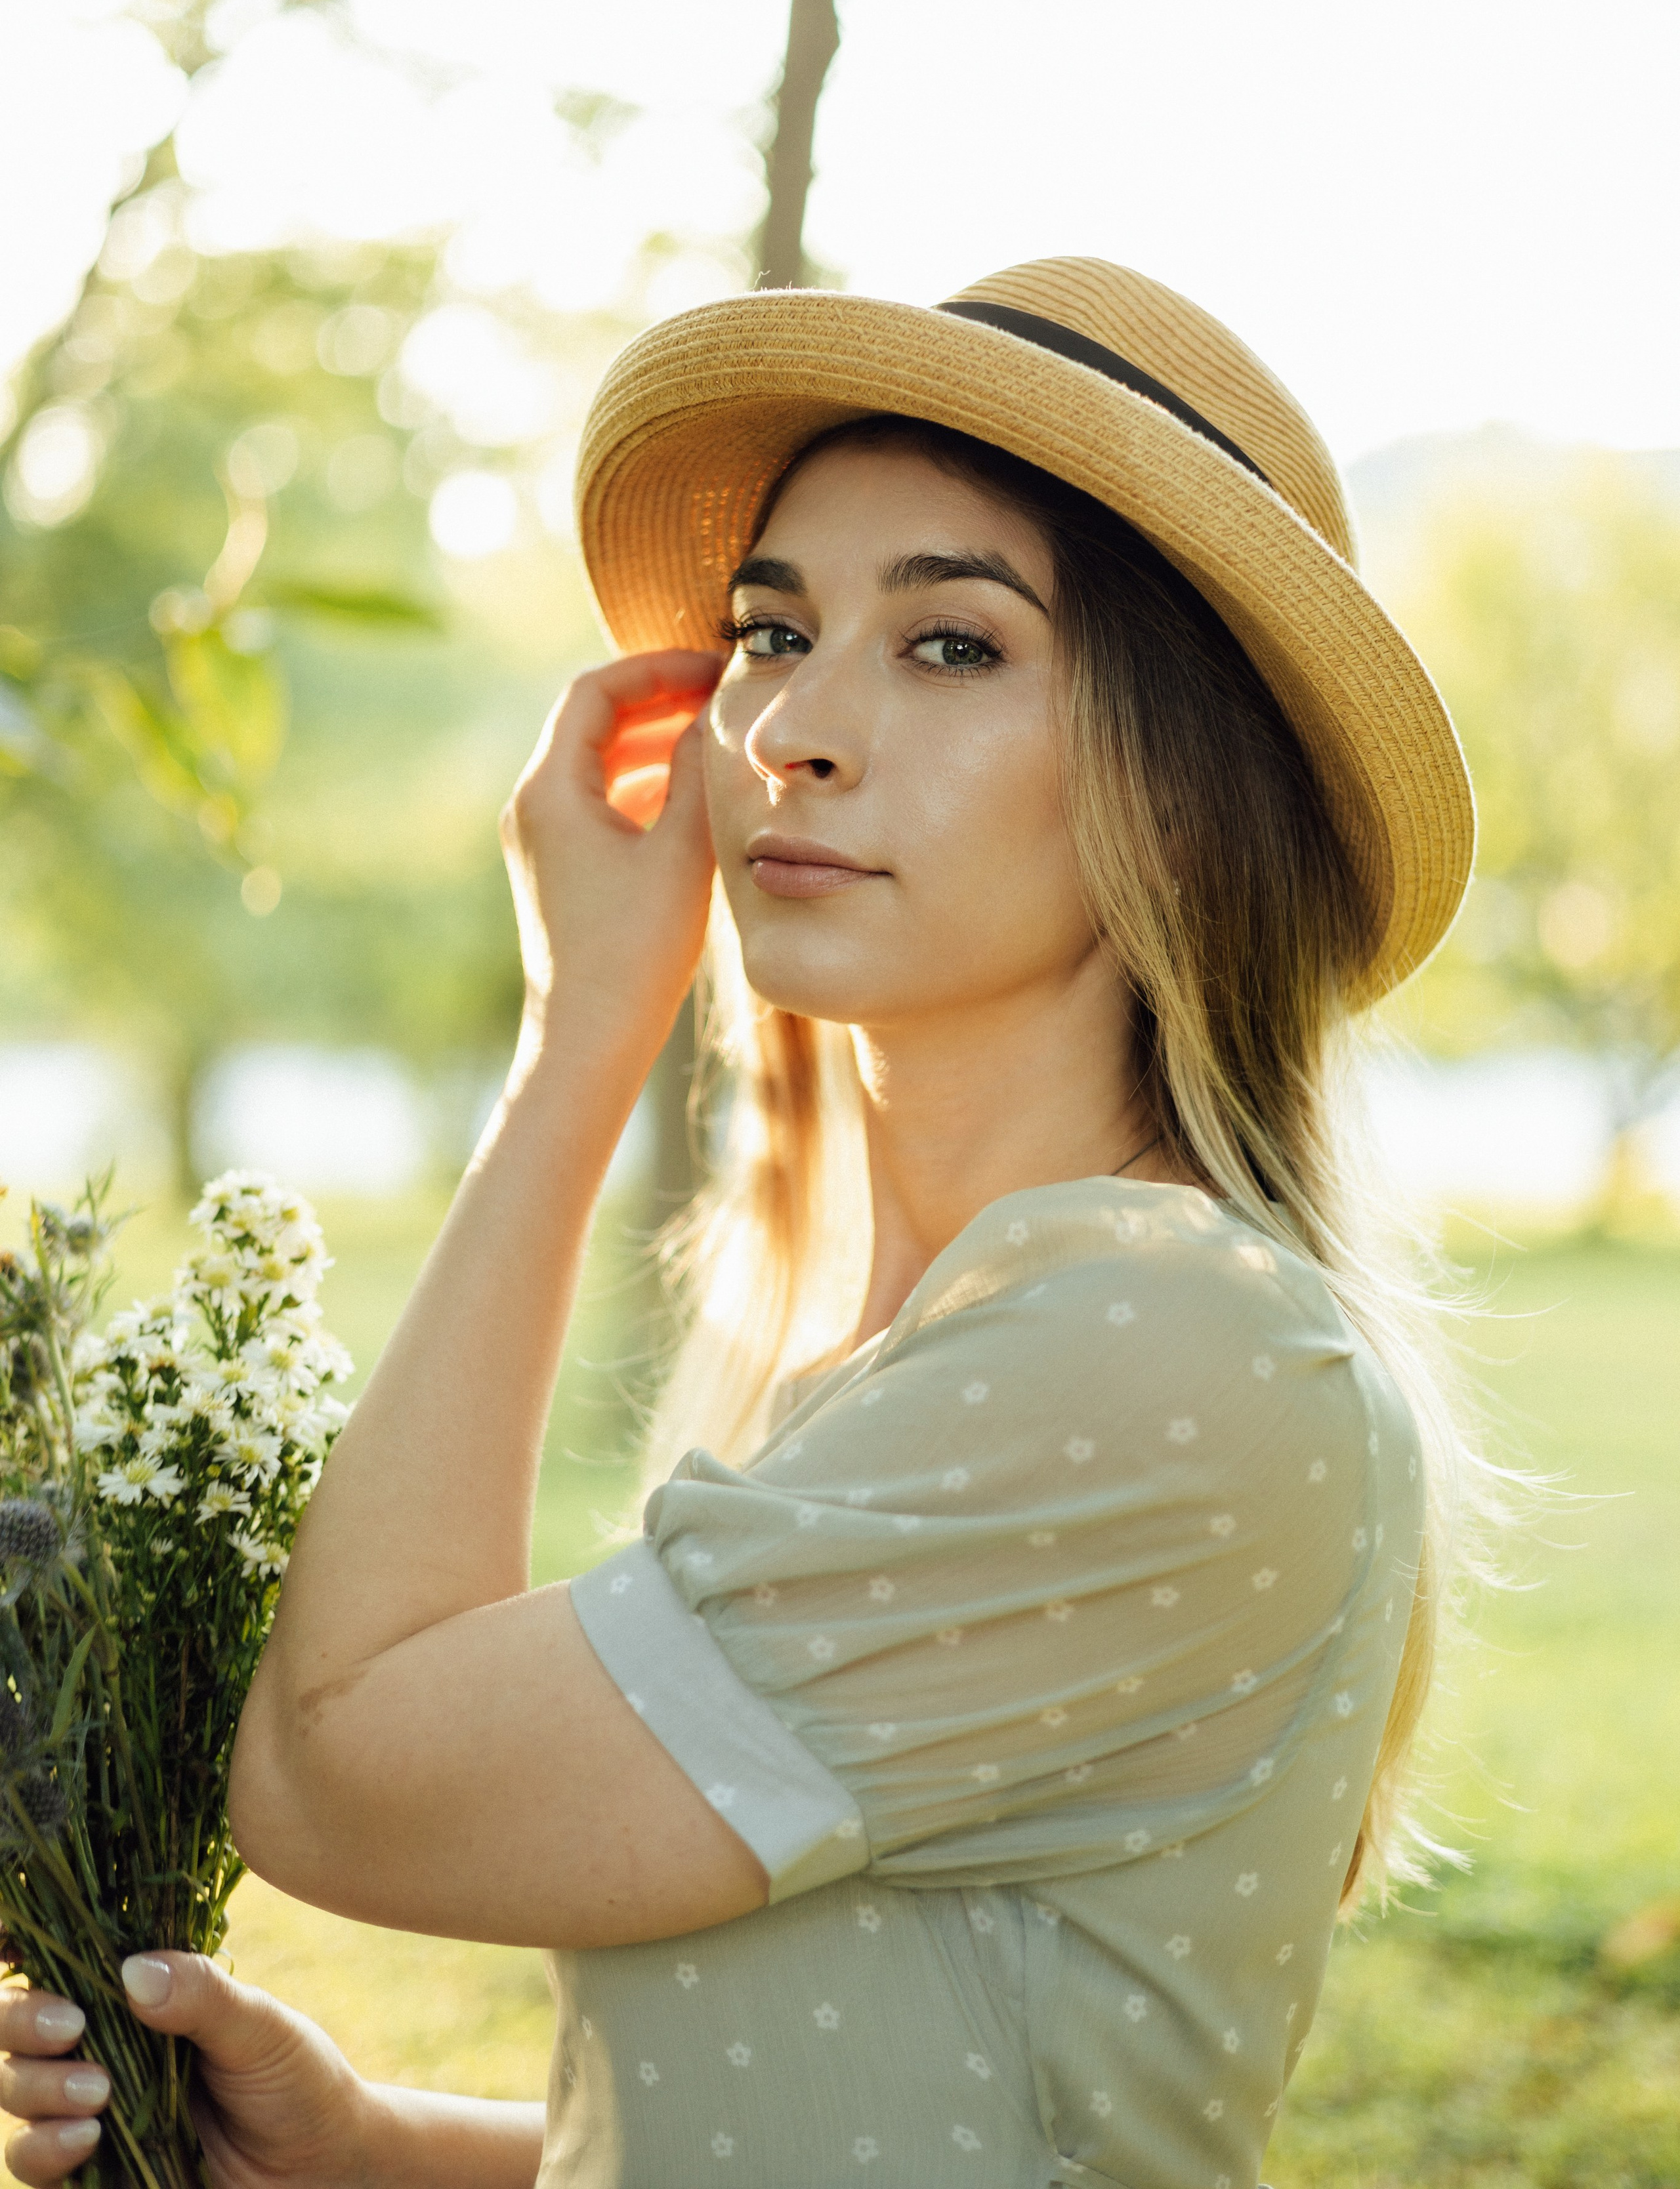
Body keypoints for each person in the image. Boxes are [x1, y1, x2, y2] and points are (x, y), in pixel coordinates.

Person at [3, 258, 1481, 2189]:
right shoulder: (922, 1358)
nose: (790, 727)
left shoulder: (1154, 1336)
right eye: (772, 633)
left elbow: (334, 1771)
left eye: (951, 644)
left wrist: (576, 1050)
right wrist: (366, 2146)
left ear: (1187, 790)